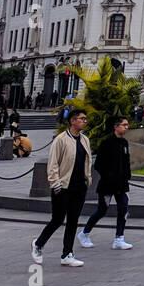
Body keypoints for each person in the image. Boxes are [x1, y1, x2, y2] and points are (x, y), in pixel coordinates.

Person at [32, 109, 94, 268]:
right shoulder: (61, 140)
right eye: (81, 118)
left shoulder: (85, 140)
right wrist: (55, 183)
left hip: (79, 186)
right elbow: (53, 163)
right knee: (58, 219)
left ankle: (67, 254)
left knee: (73, 220)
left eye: (85, 118)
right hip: (63, 186)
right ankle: (38, 244)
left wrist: (88, 179)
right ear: (73, 121)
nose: (84, 121)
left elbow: (87, 161)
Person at [78, 116, 133, 250]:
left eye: (127, 125)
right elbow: (99, 164)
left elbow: (126, 162)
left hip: (121, 184)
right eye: (123, 125)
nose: (126, 127)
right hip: (108, 184)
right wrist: (109, 175)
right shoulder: (107, 143)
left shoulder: (124, 143)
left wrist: (126, 176)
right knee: (102, 210)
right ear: (116, 126)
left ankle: (119, 238)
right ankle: (84, 233)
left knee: (123, 209)